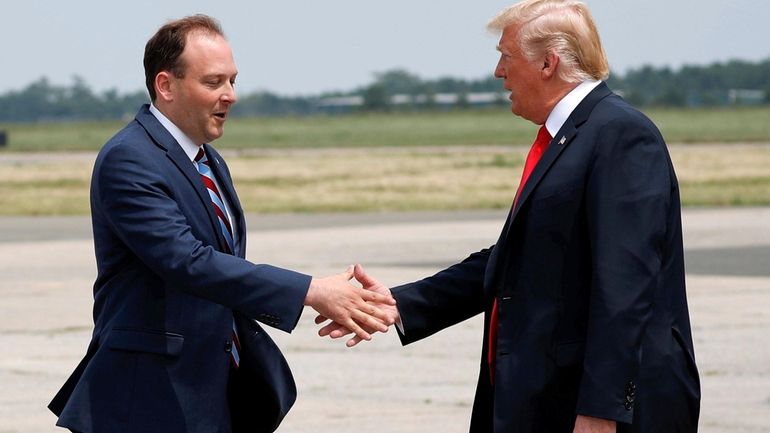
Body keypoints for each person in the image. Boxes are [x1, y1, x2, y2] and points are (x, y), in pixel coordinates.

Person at [319, 1, 701, 432]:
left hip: (597, 409)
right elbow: (517, 257)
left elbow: (625, 287)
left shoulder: (620, 135)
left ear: (548, 63)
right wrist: (398, 304)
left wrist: (601, 411)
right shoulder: (571, 137)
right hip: (548, 396)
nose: (498, 72)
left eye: (506, 55)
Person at [48, 15, 394, 433]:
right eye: (214, 82)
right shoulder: (131, 158)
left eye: (233, 81)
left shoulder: (206, 159)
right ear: (166, 86)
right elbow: (187, 261)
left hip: (209, 392)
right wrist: (310, 290)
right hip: (148, 399)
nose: (230, 95)